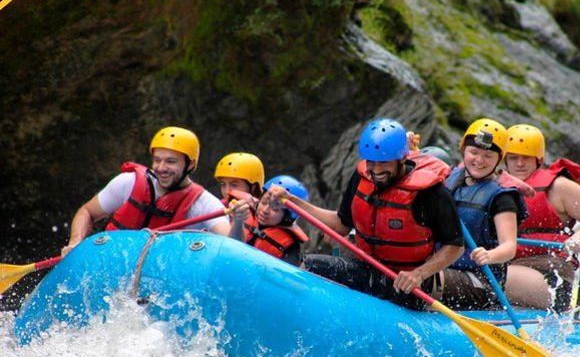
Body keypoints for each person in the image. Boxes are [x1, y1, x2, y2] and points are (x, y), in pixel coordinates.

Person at [267, 118, 465, 311]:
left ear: (402, 159)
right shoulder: (362, 177)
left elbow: (455, 246)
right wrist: (293, 201)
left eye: (384, 163)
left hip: (409, 286)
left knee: (310, 265)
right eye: (372, 162)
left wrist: (418, 274)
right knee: (312, 265)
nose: (376, 170)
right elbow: (339, 224)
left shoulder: (431, 193)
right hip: (367, 269)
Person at [61, 126, 232, 256]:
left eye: (170, 161)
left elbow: (231, 243)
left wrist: (239, 219)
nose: (161, 168)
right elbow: (86, 212)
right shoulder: (128, 183)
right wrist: (75, 243)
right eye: (157, 160)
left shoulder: (204, 203)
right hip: (113, 262)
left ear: (191, 165)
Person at [503, 123, 580, 311]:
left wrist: (579, 237)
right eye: (513, 158)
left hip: (550, 273)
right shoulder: (496, 187)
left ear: (539, 159)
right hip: (510, 265)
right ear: (504, 159)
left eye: (526, 158)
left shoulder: (559, 187)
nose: (519, 164)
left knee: (487, 277)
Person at [440, 118, 527, 310]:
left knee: (422, 276)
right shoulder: (449, 178)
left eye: (488, 155)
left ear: (499, 159)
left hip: (480, 282)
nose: (479, 160)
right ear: (463, 151)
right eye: (474, 152)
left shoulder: (502, 197)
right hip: (440, 265)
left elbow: (509, 247)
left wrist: (489, 255)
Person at [230, 175, 309, 266]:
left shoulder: (290, 246)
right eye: (263, 202)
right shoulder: (241, 211)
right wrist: (237, 222)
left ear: (288, 217)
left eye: (275, 209)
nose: (265, 210)